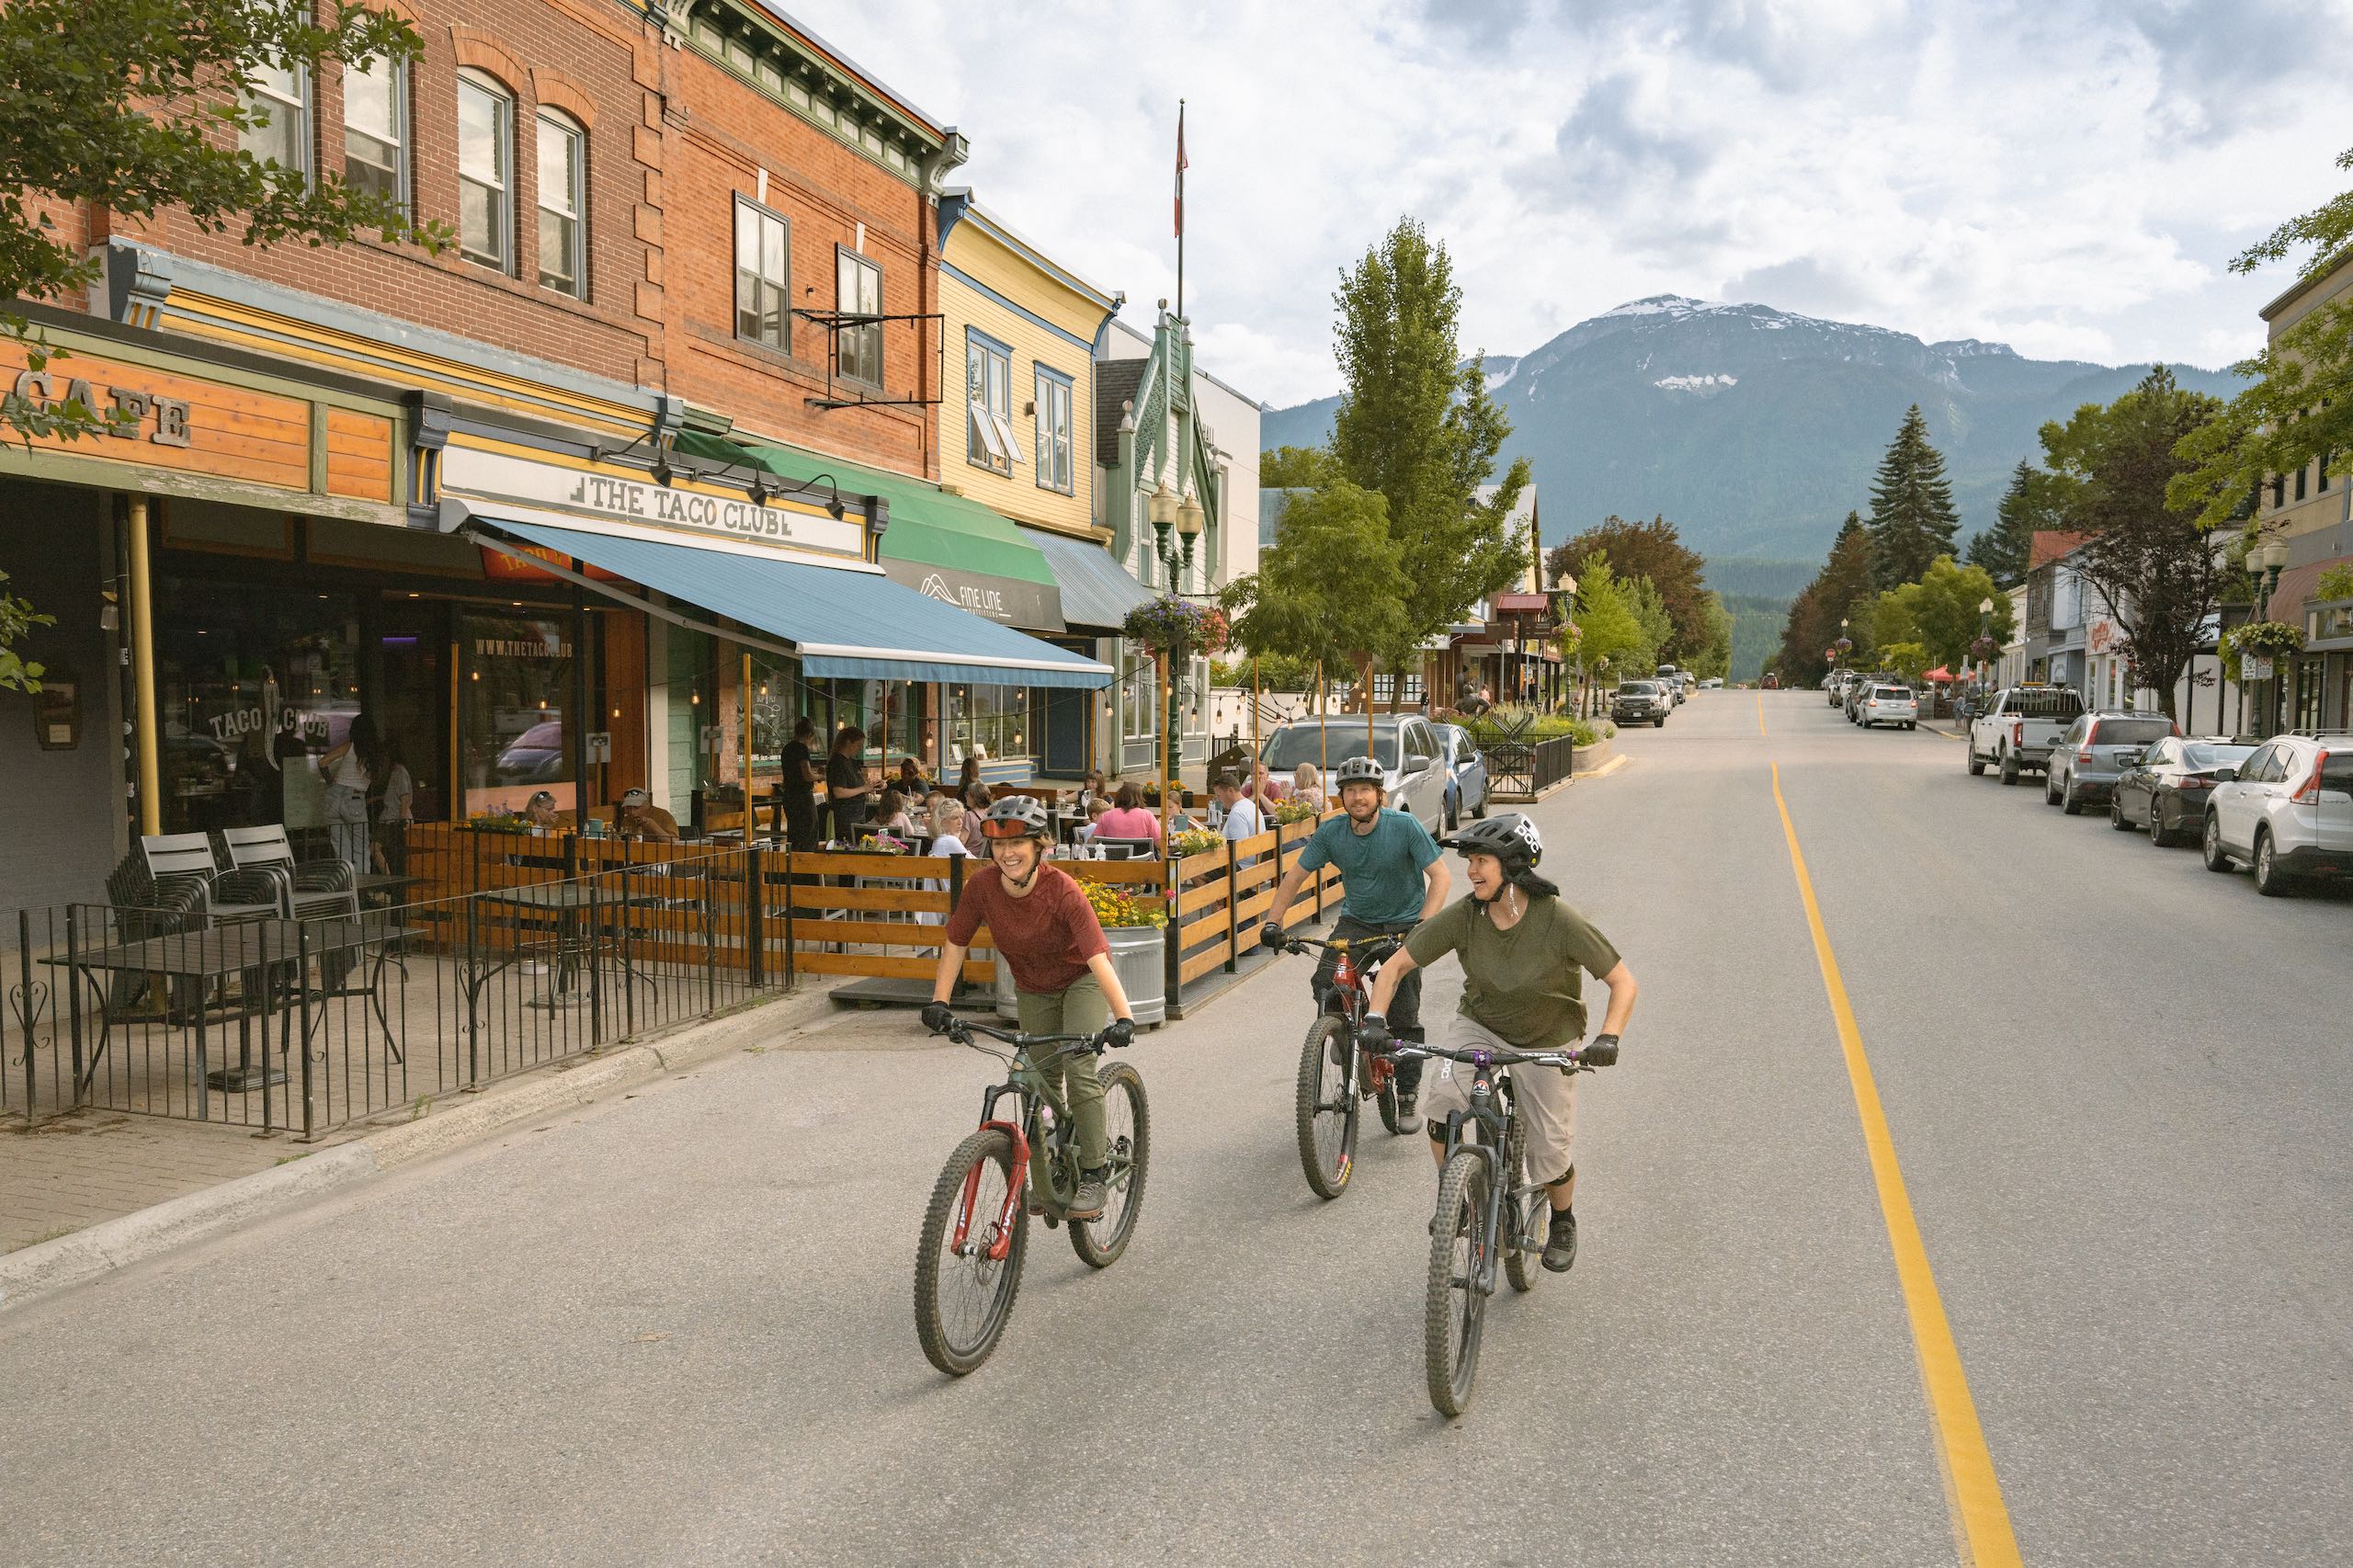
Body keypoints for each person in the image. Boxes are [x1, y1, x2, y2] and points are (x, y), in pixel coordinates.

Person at [1360, 813, 1635, 1273]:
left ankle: (1563, 1220)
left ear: (1513, 866)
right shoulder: (1466, 916)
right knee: (1442, 1104)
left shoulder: (1558, 920)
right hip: (1480, 1025)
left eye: (1481, 861)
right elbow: (1396, 966)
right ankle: (1460, 1201)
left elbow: (1622, 982)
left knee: (1548, 1152)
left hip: (1548, 1036)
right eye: (1470, 861)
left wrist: (1608, 1038)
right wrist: (1374, 1018)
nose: (1470, 872)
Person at [923, 795, 1139, 1220]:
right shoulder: (982, 888)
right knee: (1033, 1081)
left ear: (1041, 846)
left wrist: (1125, 1017)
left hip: (1080, 981)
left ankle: (1094, 1170)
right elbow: (956, 943)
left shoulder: (1063, 892)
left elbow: (1098, 958)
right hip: (1033, 988)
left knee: (1078, 1070)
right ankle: (1049, 1177)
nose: (1007, 853)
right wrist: (939, 1003)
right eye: (1000, 845)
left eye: (1018, 843)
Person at [1259, 754, 1449, 1128]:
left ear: (1379, 795)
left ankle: (1408, 1092)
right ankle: (1341, 1033)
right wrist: (1272, 922)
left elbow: (1441, 877)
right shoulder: (1332, 833)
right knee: (1326, 980)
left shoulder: (1404, 826)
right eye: (1350, 791)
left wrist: (1423, 925)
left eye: (1365, 790)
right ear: (1341, 797)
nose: (1358, 797)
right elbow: (1295, 878)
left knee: (1403, 1008)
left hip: (1405, 923)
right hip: (1357, 921)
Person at [317, 713, 385, 879]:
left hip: (333, 796)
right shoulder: (375, 753)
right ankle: (361, 893)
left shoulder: (349, 746)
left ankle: (345, 892)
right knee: (360, 850)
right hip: (354, 798)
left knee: (341, 851)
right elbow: (378, 778)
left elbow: (323, 762)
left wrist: (330, 782)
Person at [777, 716, 821, 852]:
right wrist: (820, 776)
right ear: (809, 735)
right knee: (809, 831)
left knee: (794, 832)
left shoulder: (786, 749)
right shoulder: (802, 749)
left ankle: (794, 865)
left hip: (789, 795)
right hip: (802, 797)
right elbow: (807, 775)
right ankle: (807, 866)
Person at [373, 741, 414, 876]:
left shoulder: (399, 773)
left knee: (375, 848)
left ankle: (388, 879)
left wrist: (402, 822)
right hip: (392, 818)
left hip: (393, 819)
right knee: (380, 850)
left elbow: (404, 798)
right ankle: (390, 878)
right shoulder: (398, 772)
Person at [827, 725, 874, 842]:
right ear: (848, 742)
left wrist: (871, 786)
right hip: (845, 817)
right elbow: (838, 792)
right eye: (858, 745)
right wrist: (863, 789)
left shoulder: (852, 762)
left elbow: (858, 784)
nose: (859, 749)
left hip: (858, 814)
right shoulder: (837, 763)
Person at [1094, 781, 1161, 845]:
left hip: (1113, 856)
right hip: (1142, 856)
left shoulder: (1106, 816)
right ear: (1139, 798)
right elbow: (1160, 844)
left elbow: (1093, 841)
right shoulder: (1147, 815)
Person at [615, 787, 680, 842]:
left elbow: (675, 842)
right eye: (628, 808)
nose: (632, 812)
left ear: (647, 805)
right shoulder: (627, 820)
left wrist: (653, 827)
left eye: (636, 807)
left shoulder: (663, 816)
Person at [1212, 773, 1263, 841]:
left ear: (1230, 791)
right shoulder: (1252, 806)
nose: (1218, 800)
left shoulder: (1237, 813)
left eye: (1219, 795)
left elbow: (1239, 847)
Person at [959, 783, 992, 848]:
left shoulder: (969, 816)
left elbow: (961, 841)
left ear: (974, 798)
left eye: (967, 794)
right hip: (984, 856)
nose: (966, 797)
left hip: (969, 855)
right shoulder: (990, 813)